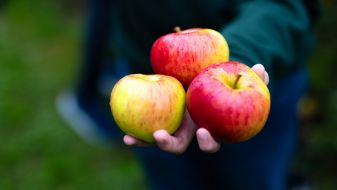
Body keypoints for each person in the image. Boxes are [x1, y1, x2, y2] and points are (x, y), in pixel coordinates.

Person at [57, 0, 319, 189]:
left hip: (254, 70)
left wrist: (234, 62)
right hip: (147, 85)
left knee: (251, 181)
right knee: (169, 179)